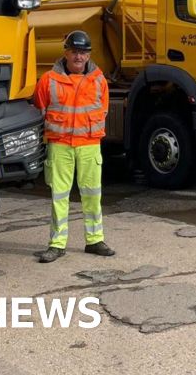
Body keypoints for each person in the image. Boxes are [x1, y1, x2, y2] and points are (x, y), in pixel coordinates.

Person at [33, 30, 114, 263]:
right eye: (75, 52)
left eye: (83, 52)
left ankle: (95, 240)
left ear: (88, 55)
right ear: (66, 53)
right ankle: (57, 245)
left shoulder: (99, 80)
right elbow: (39, 108)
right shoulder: (48, 79)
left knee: (92, 194)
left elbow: (103, 110)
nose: (78, 57)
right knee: (59, 196)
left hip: (89, 144)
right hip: (60, 145)